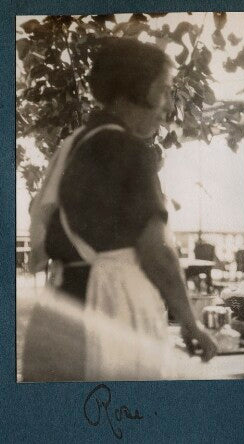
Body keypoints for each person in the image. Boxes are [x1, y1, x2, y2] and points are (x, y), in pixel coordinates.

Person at [25, 37, 216, 380]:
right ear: (134, 89)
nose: (167, 104)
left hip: (59, 313)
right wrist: (190, 322)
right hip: (107, 315)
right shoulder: (131, 151)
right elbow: (157, 252)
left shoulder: (73, 145)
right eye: (164, 90)